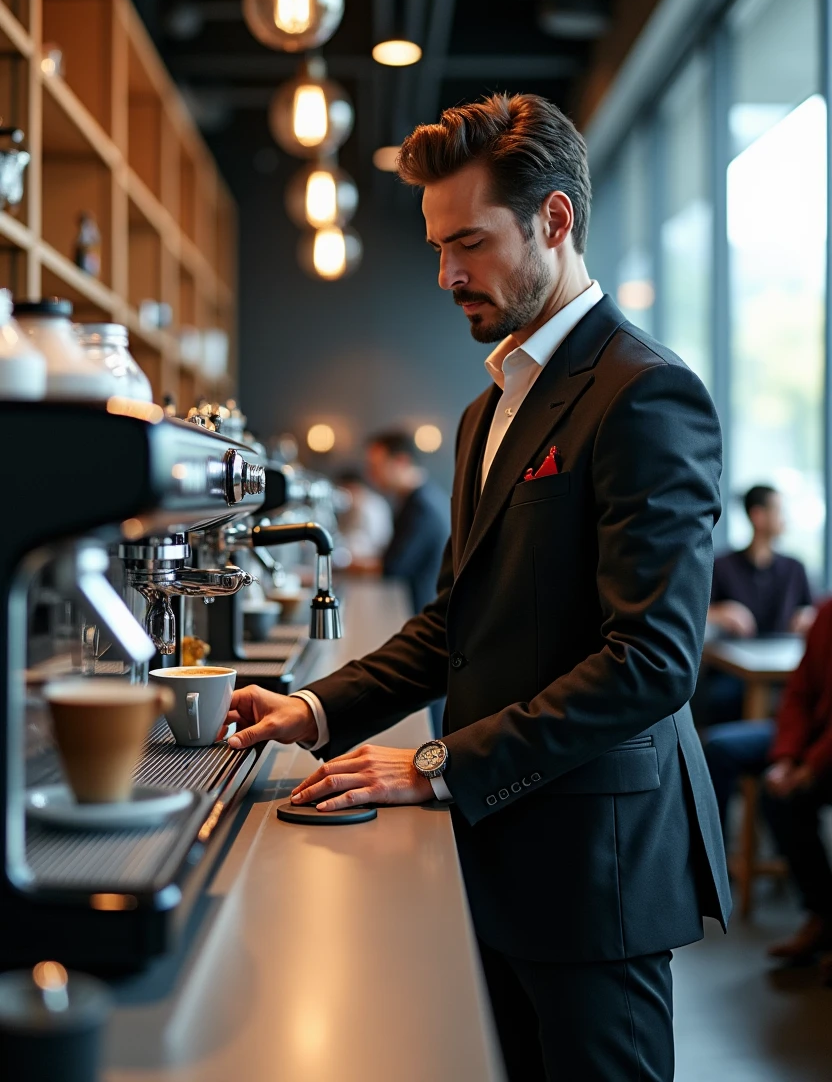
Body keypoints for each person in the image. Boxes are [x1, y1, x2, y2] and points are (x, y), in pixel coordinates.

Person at [222, 93, 730, 1082]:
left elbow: (651, 662)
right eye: (436, 247)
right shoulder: (484, 409)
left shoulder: (644, 393)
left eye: (470, 242)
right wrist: (316, 706)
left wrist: (436, 765)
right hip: (494, 840)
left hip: (595, 862)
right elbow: (459, 617)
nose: (448, 274)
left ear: (553, 220)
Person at [758, 598, 832, 965]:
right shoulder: (826, 612)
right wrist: (786, 759)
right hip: (819, 745)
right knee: (778, 796)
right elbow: (798, 694)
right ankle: (822, 915)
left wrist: (812, 765)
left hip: (825, 752)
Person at [703, 485, 815, 725]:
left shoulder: (795, 568)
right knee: (722, 697)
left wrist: (806, 617)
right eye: (779, 510)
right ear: (758, 516)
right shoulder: (723, 566)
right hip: (735, 670)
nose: (785, 518)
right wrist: (721, 613)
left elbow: (810, 611)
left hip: (782, 667)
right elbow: (697, 613)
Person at [364, 430, 450, 618]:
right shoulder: (419, 499)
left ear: (401, 461)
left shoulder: (421, 507)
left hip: (422, 615)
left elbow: (392, 568)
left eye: (376, 466)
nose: (372, 475)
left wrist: (343, 565)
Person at [335, 468, 393, 565]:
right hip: (347, 562)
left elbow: (382, 543)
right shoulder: (345, 509)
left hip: (370, 564)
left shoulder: (375, 506)